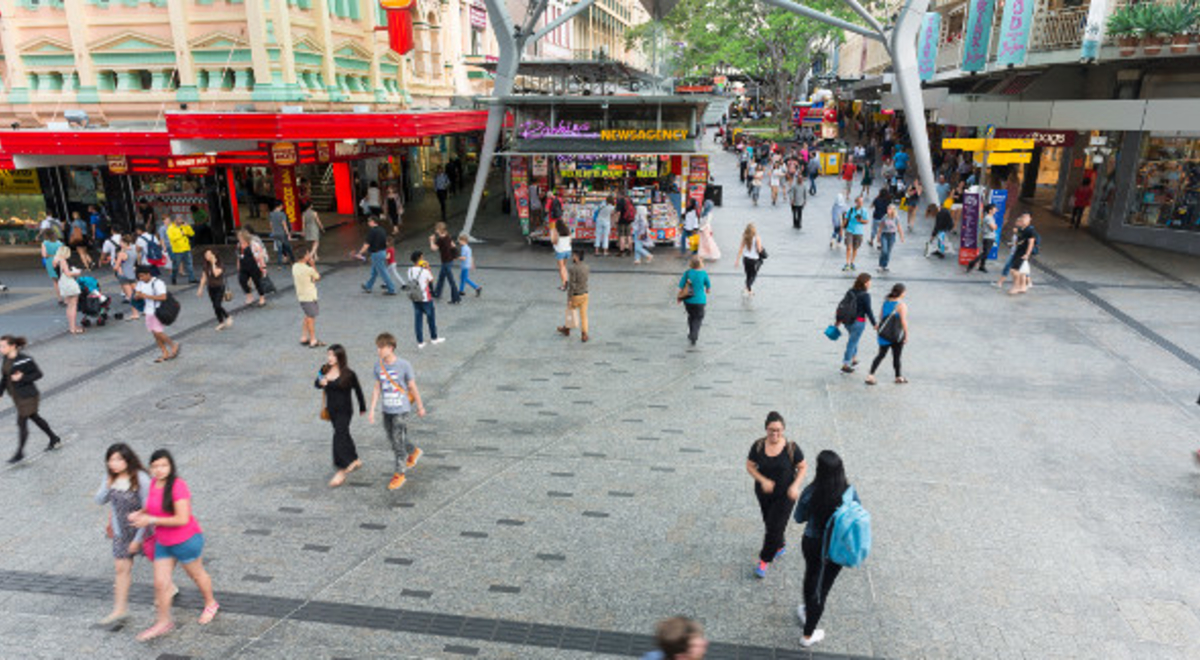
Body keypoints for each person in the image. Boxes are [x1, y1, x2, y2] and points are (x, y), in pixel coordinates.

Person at [127, 449, 219, 641]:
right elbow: (153, 505)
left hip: (186, 541)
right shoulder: (154, 483)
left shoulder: (178, 486)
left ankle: (211, 603)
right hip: (164, 542)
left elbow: (182, 518)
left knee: (196, 574)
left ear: (171, 466)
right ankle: (163, 622)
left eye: (163, 465)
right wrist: (140, 513)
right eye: (155, 466)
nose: (159, 470)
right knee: (161, 584)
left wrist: (150, 519)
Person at [796, 450, 859, 648]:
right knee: (822, 588)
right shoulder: (849, 493)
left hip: (812, 543)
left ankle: (807, 623)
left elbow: (799, 517)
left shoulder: (812, 491)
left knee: (812, 577)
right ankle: (808, 630)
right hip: (837, 548)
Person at [94, 443, 152, 625]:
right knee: (121, 569)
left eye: (118, 459)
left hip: (144, 530)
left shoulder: (141, 478)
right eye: (111, 460)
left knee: (160, 564)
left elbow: (149, 509)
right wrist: (107, 485)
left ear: (128, 460)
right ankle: (120, 609)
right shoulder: (109, 477)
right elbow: (99, 499)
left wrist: (138, 539)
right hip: (121, 532)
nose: (114, 463)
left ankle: (169, 587)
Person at [745, 411, 806, 578]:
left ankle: (764, 560)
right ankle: (780, 545)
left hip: (786, 494)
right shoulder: (758, 446)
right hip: (764, 493)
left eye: (779, 430)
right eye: (772, 430)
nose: (775, 434)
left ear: (783, 429)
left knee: (773, 527)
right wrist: (762, 480)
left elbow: (803, 467)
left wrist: (795, 486)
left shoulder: (791, 447)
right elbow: (750, 466)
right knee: (770, 522)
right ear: (766, 429)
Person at [368, 333, 427, 491]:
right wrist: (372, 409)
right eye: (378, 347)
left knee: (396, 441)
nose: (378, 350)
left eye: (381, 347)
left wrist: (420, 406)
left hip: (401, 409)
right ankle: (413, 451)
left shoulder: (404, 365)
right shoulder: (378, 366)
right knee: (394, 437)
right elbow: (377, 388)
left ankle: (399, 473)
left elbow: (413, 387)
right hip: (387, 409)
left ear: (391, 348)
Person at [1, 335, 62, 463]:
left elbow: (38, 374)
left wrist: (22, 378)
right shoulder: (5, 358)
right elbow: (5, 377)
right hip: (17, 396)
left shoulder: (25, 360)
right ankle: (54, 438)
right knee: (34, 417)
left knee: (22, 422)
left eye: (3, 346)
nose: (1, 349)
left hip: (28, 396)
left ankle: (20, 452)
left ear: (12, 346)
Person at [316, 344, 366, 488]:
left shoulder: (348, 374)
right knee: (343, 433)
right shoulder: (324, 369)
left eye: (333, 355)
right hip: (332, 410)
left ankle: (341, 470)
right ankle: (355, 459)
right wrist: (321, 382)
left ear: (340, 357)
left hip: (345, 411)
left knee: (338, 436)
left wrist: (362, 407)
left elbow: (358, 390)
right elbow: (316, 383)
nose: (330, 358)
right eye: (328, 355)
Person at [134, 266, 180, 363]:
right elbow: (137, 293)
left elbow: (163, 297)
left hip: (157, 310)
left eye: (142, 276)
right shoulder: (140, 283)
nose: (141, 278)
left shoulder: (158, 283)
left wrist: (146, 296)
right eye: (139, 277)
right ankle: (164, 352)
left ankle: (172, 345)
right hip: (148, 311)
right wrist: (137, 296)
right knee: (155, 334)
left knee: (157, 332)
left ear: (148, 274)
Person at [866, 283, 909, 384]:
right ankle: (898, 376)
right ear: (901, 293)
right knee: (896, 356)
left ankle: (870, 375)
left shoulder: (886, 302)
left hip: (884, 334)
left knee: (881, 355)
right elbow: (903, 321)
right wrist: (906, 335)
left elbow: (881, 316)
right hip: (896, 335)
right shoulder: (901, 305)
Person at [840, 273, 876, 374]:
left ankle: (854, 358)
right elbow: (869, 311)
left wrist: (838, 320)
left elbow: (842, 305)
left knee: (853, 339)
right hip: (858, 321)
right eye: (869, 281)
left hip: (847, 321)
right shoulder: (865, 295)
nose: (870, 283)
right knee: (852, 342)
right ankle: (846, 364)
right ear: (865, 283)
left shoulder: (850, 291)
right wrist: (874, 324)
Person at [407, 252, 442, 347]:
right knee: (431, 318)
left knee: (418, 319)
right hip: (425, 297)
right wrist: (428, 268)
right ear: (420, 259)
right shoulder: (425, 271)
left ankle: (420, 341)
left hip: (415, 296)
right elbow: (431, 279)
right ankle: (434, 338)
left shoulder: (409, 270)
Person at [557, 250, 591, 342]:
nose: (572, 257)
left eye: (573, 256)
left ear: (576, 257)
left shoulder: (572, 268)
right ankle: (584, 334)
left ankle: (567, 329)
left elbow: (572, 284)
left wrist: (569, 298)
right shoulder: (587, 267)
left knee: (570, 312)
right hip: (585, 293)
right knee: (583, 315)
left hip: (576, 295)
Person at [677, 255, 711, 346]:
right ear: (701, 264)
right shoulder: (703, 273)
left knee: (691, 316)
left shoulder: (687, 273)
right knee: (699, 317)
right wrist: (707, 289)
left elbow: (680, 287)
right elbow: (708, 286)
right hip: (700, 300)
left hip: (688, 300)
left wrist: (679, 297)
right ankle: (694, 334)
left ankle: (691, 332)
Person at [358, 216, 397, 295]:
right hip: (382, 252)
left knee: (383, 272)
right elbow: (385, 242)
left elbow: (366, 244)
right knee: (374, 272)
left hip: (376, 254)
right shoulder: (382, 230)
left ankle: (391, 289)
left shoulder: (372, 231)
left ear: (373, 222)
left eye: (369, 221)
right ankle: (368, 286)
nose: (368, 223)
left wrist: (360, 253)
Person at [292, 249, 323, 348]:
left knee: (307, 316)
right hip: (309, 296)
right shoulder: (308, 269)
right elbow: (317, 277)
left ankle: (304, 337)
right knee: (311, 318)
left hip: (301, 296)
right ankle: (313, 339)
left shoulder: (294, 267)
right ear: (305, 256)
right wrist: (313, 264)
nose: (310, 255)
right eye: (308, 253)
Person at [640, 617, 708, 660]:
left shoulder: (651, 656)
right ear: (681, 657)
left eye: (699, 637)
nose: (705, 642)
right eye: (695, 646)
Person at [196, 250, 231, 331]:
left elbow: (216, 273)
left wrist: (213, 263)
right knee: (215, 306)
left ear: (213, 255)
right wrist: (200, 288)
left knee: (217, 305)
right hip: (211, 288)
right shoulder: (206, 265)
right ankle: (222, 321)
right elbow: (204, 277)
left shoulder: (220, 264)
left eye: (208, 255)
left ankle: (225, 318)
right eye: (205, 255)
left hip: (219, 287)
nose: (206, 256)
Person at [53, 245, 84, 335]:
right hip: (69, 283)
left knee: (69, 306)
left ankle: (71, 326)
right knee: (73, 306)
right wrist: (77, 272)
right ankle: (73, 328)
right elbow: (68, 273)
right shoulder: (63, 261)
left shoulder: (55, 260)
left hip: (62, 284)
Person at [429, 222, 462, 304]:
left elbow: (433, 248)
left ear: (439, 230)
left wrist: (431, 241)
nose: (435, 230)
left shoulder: (441, 239)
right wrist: (455, 255)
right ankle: (437, 293)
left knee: (451, 280)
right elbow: (453, 245)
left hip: (446, 261)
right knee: (441, 277)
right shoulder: (447, 236)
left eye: (436, 229)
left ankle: (456, 298)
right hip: (449, 260)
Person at [236, 229, 270, 306]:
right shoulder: (238, 245)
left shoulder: (254, 245)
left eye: (241, 237)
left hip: (254, 266)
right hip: (244, 266)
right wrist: (238, 265)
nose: (239, 239)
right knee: (242, 280)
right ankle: (249, 296)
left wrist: (262, 266)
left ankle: (262, 298)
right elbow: (238, 256)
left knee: (257, 282)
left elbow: (260, 256)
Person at [1009, 213, 1037, 295]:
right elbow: (1020, 239)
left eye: (1026, 219)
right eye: (1023, 218)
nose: (1023, 220)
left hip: (1023, 253)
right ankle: (1023, 287)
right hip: (1018, 251)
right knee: (1022, 271)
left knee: (1014, 270)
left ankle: (1016, 287)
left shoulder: (1030, 231)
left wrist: (1027, 254)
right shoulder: (1021, 229)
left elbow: (1031, 243)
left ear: (1029, 220)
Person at [965, 204, 998, 274]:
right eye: (994, 209)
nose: (995, 210)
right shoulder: (988, 218)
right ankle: (972, 262)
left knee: (986, 252)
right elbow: (993, 227)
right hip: (988, 237)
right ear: (990, 210)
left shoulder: (990, 217)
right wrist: (995, 226)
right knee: (985, 253)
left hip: (990, 237)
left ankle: (982, 266)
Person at [114, 235, 140, 319]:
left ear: (124, 242)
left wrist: (115, 262)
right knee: (137, 293)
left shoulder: (121, 254)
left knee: (130, 296)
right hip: (132, 274)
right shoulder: (134, 250)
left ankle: (135, 314)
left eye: (121, 242)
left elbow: (116, 267)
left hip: (124, 276)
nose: (119, 243)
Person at [166, 215, 196, 285]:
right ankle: (173, 278)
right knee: (176, 266)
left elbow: (192, 234)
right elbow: (172, 238)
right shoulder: (171, 228)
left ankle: (191, 279)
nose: (181, 220)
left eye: (181, 218)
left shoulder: (183, 226)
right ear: (175, 220)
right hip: (177, 250)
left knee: (189, 264)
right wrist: (181, 234)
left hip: (186, 248)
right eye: (179, 219)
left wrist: (187, 226)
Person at [735, 223, 764, 297]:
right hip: (754, 260)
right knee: (753, 275)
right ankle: (748, 287)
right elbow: (759, 250)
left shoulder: (745, 237)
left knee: (748, 275)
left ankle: (748, 290)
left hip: (746, 259)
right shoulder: (757, 238)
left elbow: (741, 248)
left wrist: (737, 260)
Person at [842, 197, 868, 271]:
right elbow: (846, 219)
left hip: (859, 232)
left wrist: (861, 220)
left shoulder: (864, 211)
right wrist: (842, 228)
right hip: (849, 230)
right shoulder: (850, 210)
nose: (861, 204)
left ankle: (852, 262)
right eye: (859, 202)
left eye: (862, 202)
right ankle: (847, 263)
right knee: (848, 247)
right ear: (856, 202)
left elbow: (866, 221)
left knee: (855, 248)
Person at [877, 204, 905, 273]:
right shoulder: (885, 217)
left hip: (892, 235)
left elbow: (899, 227)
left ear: (893, 210)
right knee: (884, 250)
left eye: (889, 209)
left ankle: (885, 265)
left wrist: (901, 236)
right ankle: (880, 265)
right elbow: (881, 227)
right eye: (887, 209)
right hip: (884, 234)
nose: (888, 211)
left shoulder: (896, 218)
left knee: (888, 251)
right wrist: (878, 236)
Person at [40, 229, 64, 304]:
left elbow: (44, 255)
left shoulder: (45, 243)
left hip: (50, 261)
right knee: (63, 280)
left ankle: (60, 299)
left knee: (55, 281)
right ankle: (67, 298)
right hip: (59, 260)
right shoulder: (59, 243)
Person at [268, 201, 294, 268]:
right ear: (279, 206)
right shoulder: (282, 214)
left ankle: (279, 265)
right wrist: (288, 234)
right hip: (282, 233)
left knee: (279, 249)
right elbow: (284, 224)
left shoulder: (271, 214)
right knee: (288, 248)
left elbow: (271, 225)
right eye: (282, 205)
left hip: (275, 233)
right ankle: (293, 261)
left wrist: (273, 232)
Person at [549, 216, 572, 291]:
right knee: (564, 267)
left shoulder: (555, 231)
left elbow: (554, 241)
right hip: (568, 250)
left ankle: (564, 284)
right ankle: (566, 281)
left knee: (561, 268)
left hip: (560, 251)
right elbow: (570, 241)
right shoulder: (567, 230)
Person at [615, 190, 637, 256]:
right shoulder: (630, 200)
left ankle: (622, 250)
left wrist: (616, 220)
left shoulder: (620, 201)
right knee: (629, 235)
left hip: (622, 220)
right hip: (629, 220)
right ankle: (630, 249)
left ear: (619, 195)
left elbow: (618, 212)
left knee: (622, 236)